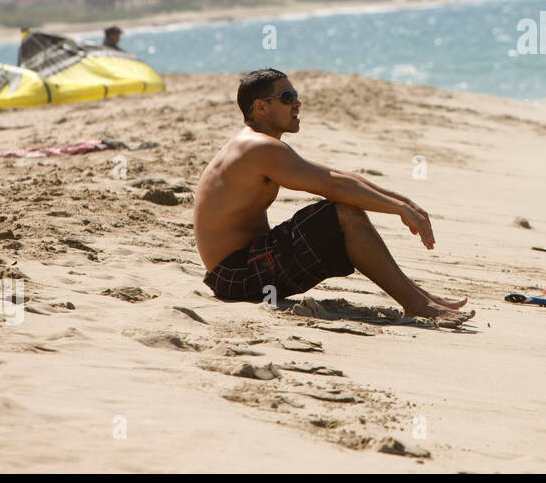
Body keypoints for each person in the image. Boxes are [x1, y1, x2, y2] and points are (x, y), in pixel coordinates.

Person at [193, 68, 473, 326]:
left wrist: (405, 203)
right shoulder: (258, 147)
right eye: (287, 97)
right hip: (236, 274)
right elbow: (334, 186)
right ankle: (417, 304)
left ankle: (419, 297)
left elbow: (340, 176)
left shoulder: (256, 143)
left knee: (342, 211)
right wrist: (399, 209)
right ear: (261, 107)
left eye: (296, 95)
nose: (297, 103)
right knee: (343, 214)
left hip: (243, 267)